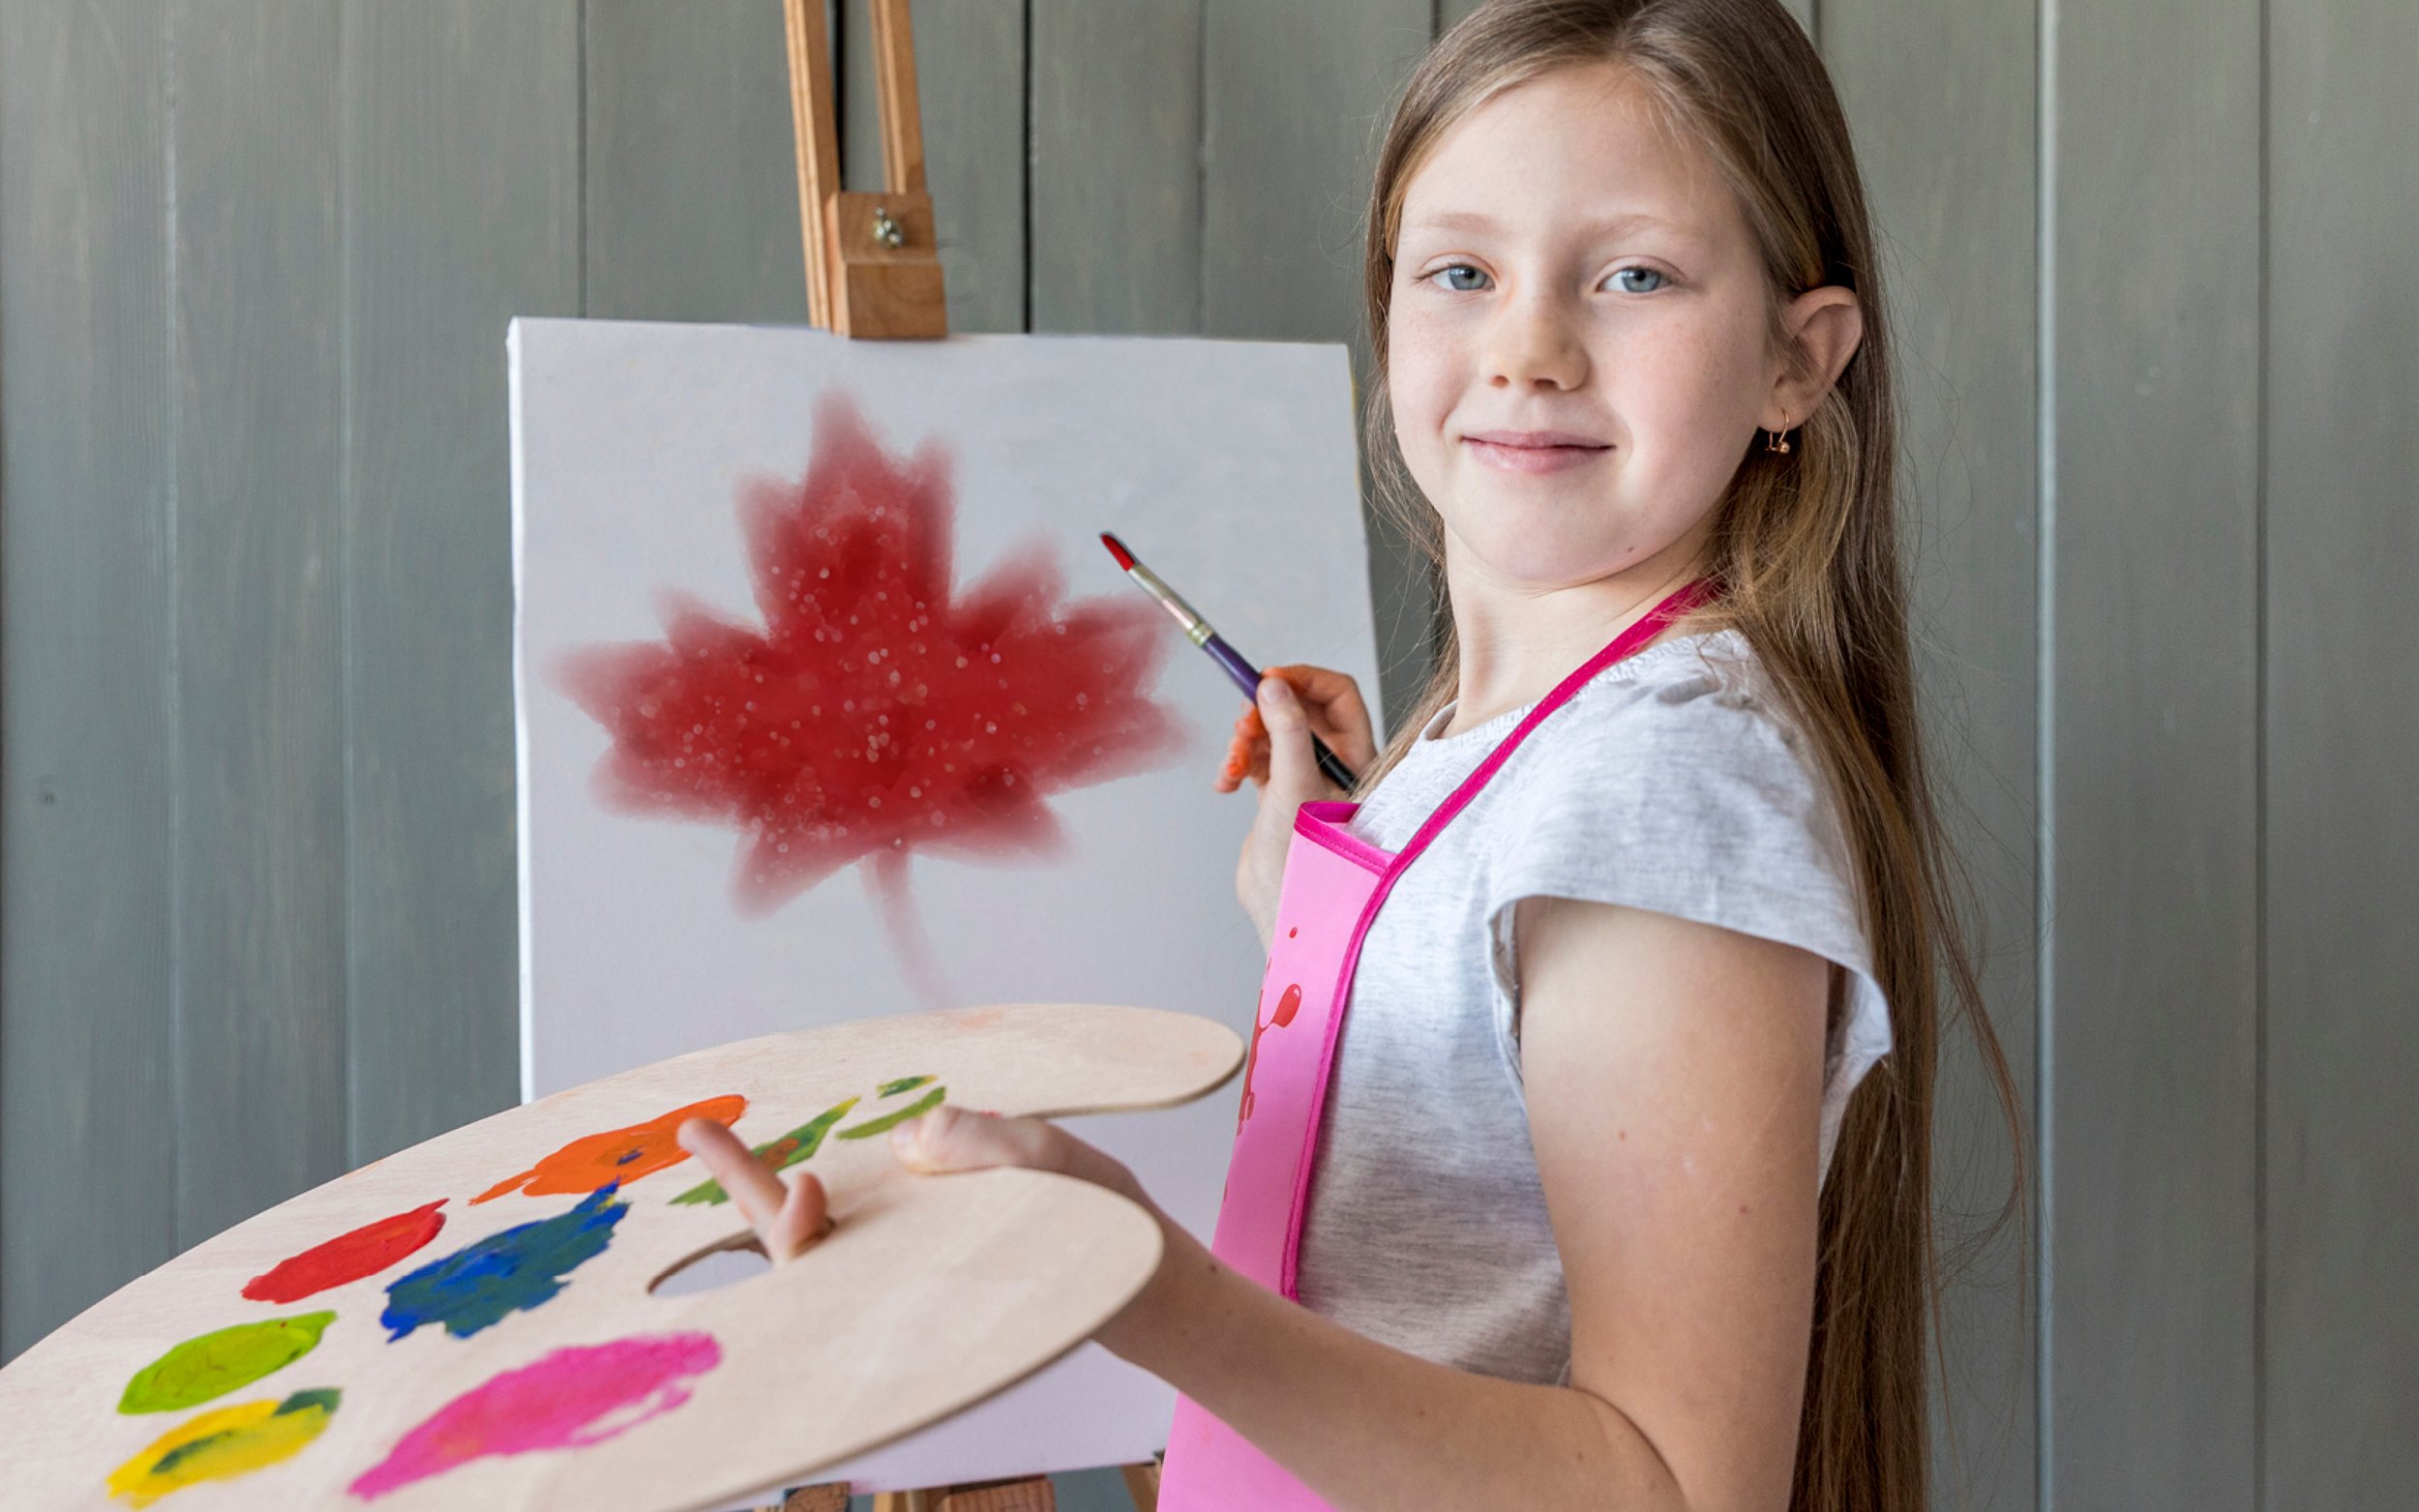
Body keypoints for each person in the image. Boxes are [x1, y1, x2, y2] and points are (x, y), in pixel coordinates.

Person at [682, 2, 2022, 1507]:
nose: (1528, 348)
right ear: (1391, 308)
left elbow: (1664, 1486)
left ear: (1798, 359)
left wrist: (1143, 1288)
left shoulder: (1656, 790)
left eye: (1634, 275)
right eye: (1462, 272)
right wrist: (1323, 880)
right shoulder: (1507, 749)